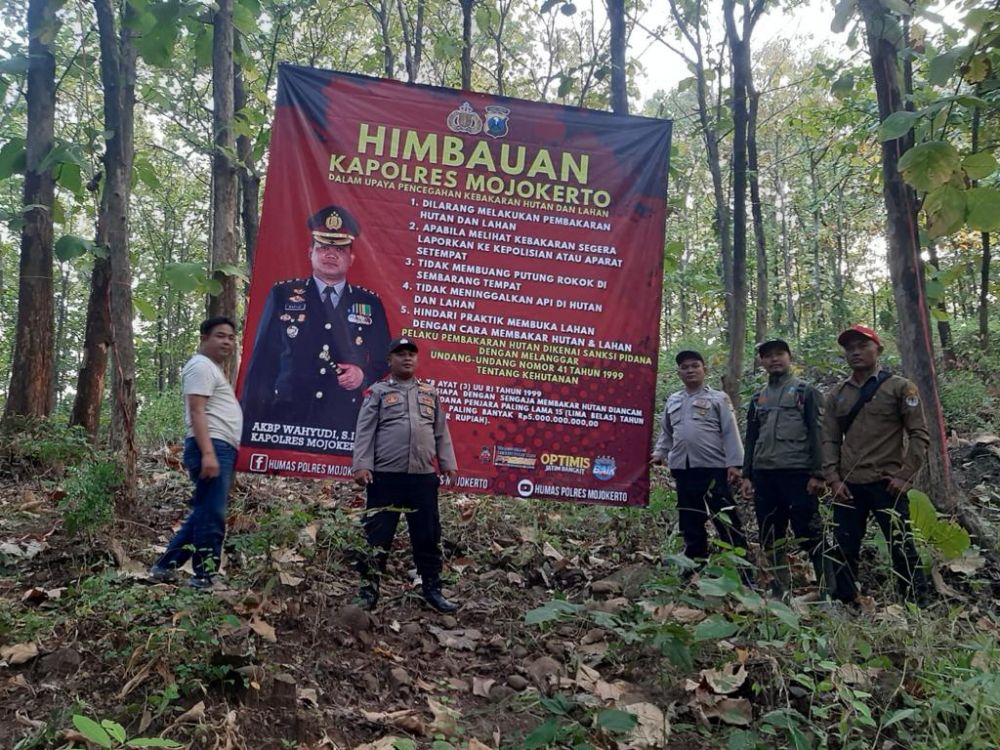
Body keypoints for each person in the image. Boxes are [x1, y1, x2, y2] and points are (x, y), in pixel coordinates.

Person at [241, 205, 391, 453]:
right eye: (323, 247)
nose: (331, 254)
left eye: (340, 249)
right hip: (287, 416)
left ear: (352, 258)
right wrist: (251, 419)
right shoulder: (283, 295)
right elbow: (262, 362)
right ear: (310, 253)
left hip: (342, 419)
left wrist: (363, 374)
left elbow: (384, 359)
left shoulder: (369, 303)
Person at [822, 324, 931, 606]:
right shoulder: (838, 394)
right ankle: (846, 603)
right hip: (848, 485)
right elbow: (829, 440)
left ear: (878, 349)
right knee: (844, 547)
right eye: (850, 348)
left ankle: (915, 604)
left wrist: (905, 476)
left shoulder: (899, 387)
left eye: (862, 346)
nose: (855, 352)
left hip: (887, 484)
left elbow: (919, 433)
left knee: (902, 546)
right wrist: (833, 479)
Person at [351, 337, 459, 612]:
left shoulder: (429, 393)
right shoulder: (377, 392)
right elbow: (365, 432)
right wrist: (361, 465)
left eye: (411, 354)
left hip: (422, 478)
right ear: (390, 360)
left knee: (427, 536)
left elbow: (440, 431)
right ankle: (368, 592)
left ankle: (432, 590)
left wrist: (448, 463)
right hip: (386, 477)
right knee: (378, 536)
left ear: (417, 360)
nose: (407, 358)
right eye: (400, 354)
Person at [151, 317, 243, 589]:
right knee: (212, 512)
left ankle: (164, 566)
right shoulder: (201, 366)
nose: (227, 341)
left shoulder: (210, 369)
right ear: (204, 338)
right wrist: (208, 453)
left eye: (230, 337)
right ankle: (205, 576)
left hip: (219, 446)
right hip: (211, 445)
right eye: (220, 336)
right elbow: (197, 410)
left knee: (204, 511)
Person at [651, 350, 751, 579]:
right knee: (690, 520)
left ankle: (744, 571)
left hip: (713, 468)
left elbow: (730, 432)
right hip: (683, 470)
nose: (690, 370)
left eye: (695, 365)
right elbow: (667, 432)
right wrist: (659, 453)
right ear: (679, 372)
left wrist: (735, 464)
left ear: (704, 369)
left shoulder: (718, 399)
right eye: (684, 367)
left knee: (727, 519)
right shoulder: (674, 400)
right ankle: (694, 569)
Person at [741, 339, 827, 598]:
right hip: (765, 475)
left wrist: (818, 473)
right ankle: (780, 591)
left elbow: (818, 432)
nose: (774, 359)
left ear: (790, 357)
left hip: (798, 473)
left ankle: (828, 589)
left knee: (810, 532)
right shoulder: (758, 397)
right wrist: (747, 475)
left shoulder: (805, 391)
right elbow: (752, 437)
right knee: (770, 533)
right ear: (762, 362)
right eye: (768, 356)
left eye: (779, 354)